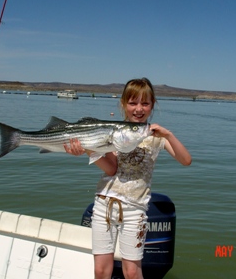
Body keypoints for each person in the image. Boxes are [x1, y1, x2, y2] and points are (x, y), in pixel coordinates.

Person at [64, 77, 191, 279]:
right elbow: (111, 169)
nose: (138, 109)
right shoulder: (116, 133)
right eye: (132, 103)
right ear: (123, 104)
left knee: (132, 272)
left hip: (135, 209)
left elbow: (186, 160)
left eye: (145, 103)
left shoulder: (158, 137)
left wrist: (168, 135)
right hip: (104, 205)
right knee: (100, 270)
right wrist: (88, 150)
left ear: (152, 105)